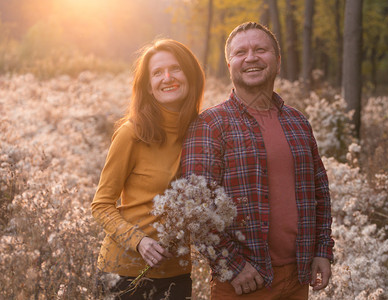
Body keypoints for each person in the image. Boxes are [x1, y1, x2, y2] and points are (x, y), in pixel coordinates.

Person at [180, 22, 334, 299]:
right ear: (230, 65)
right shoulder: (210, 124)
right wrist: (233, 266)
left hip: (299, 277)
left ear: (277, 62)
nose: (251, 57)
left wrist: (322, 250)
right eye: (241, 52)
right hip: (244, 282)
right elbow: (196, 208)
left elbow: (319, 191)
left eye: (260, 49)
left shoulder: (298, 121)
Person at [91, 39, 205, 299]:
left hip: (177, 274)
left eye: (175, 69)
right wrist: (139, 241)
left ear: (190, 76)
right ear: (149, 88)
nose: (168, 77)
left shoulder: (203, 133)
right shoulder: (131, 133)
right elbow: (101, 205)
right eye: (157, 73)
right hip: (124, 274)